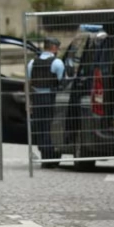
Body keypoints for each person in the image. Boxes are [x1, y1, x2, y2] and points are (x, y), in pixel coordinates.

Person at [26, 37, 65, 168]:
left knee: (40, 126)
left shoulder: (32, 63)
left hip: (37, 99)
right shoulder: (57, 63)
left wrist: (29, 102)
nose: (58, 50)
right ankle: (49, 157)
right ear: (53, 48)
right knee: (50, 126)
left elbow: (29, 82)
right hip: (50, 98)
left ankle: (45, 155)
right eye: (57, 48)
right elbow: (62, 82)